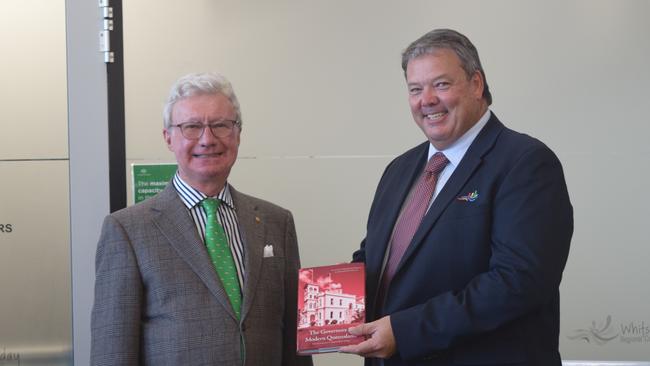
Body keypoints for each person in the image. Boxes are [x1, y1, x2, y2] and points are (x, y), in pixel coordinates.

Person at [340, 29, 573, 365]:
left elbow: (518, 282)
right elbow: (379, 258)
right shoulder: (399, 170)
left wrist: (406, 331)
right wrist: (324, 302)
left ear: (476, 84)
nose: (427, 100)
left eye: (441, 84)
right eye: (415, 89)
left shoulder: (525, 162)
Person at [91, 72, 312, 366]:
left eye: (221, 125)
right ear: (168, 137)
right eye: (192, 127)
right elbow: (112, 352)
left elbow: (293, 346)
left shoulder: (277, 222)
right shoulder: (128, 231)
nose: (208, 139)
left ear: (238, 134)